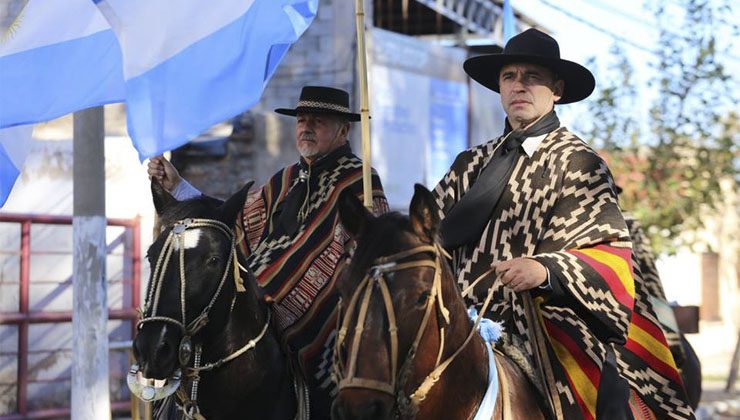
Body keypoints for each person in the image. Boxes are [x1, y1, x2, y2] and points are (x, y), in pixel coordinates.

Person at [432, 28, 692, 419]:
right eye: (509, 77)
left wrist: (546, 269)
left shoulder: (580, 163)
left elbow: (613, 259)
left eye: (531, 77)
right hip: (458, 327)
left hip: (549, 328)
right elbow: (426, 233)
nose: (518, 85)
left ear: (556, 90)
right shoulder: (467, 163)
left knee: (610, 403)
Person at [149, 86, 389, 419]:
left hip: (329, 311)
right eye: (301, 120)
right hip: (260, 292)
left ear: (343, 130)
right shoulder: (286, 179)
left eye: (317, 121)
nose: (306, 128)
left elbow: (373, 252)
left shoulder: (360, 181)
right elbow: (231, 218)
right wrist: (177, 186)